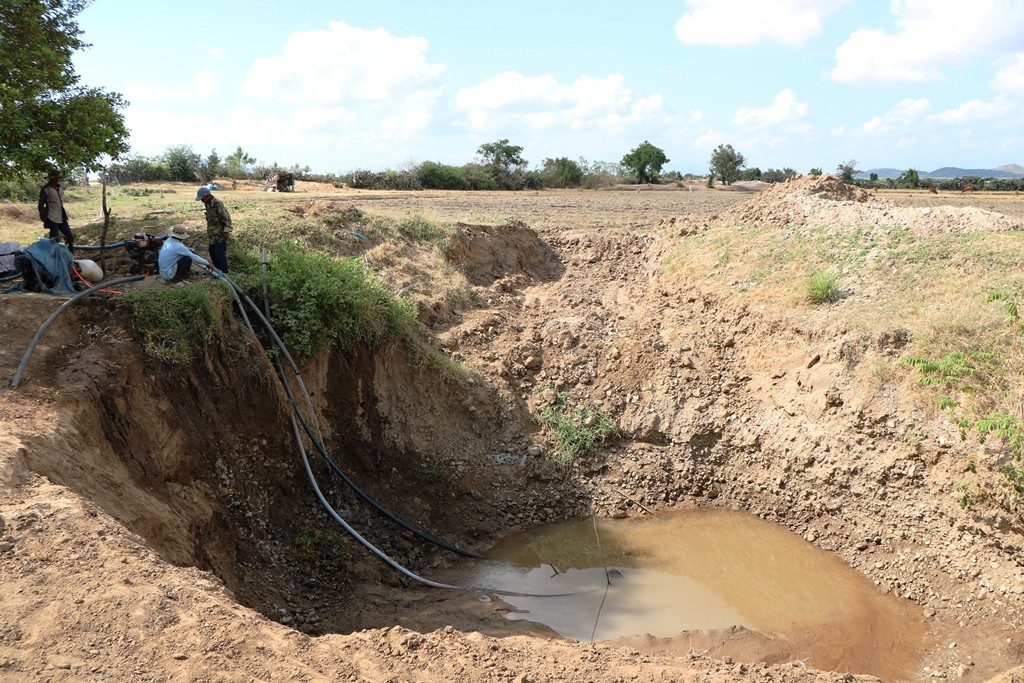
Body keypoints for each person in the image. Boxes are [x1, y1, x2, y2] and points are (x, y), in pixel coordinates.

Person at [195, 186, 232, 273]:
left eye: (202, 198)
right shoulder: (207, 203)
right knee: (213, 253)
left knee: (219, 255)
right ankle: (217, 272)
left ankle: (224, 273)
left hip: (219, 235)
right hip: (212, 235)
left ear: (207, 196)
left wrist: (226, 232)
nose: (201, 200)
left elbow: (226, 219)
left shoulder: (217, 204)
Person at [38, 169, 74, 250]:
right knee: (54, 239)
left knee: (69, 236)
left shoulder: (60, 187)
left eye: (58, 178)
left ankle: (70, 253)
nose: (58, 180)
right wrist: (44, 218)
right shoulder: (46, 189)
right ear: (51, 178)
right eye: (56, 178)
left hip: (61, 215)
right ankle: (53, 256)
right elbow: (40, 205)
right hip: (51, 216)